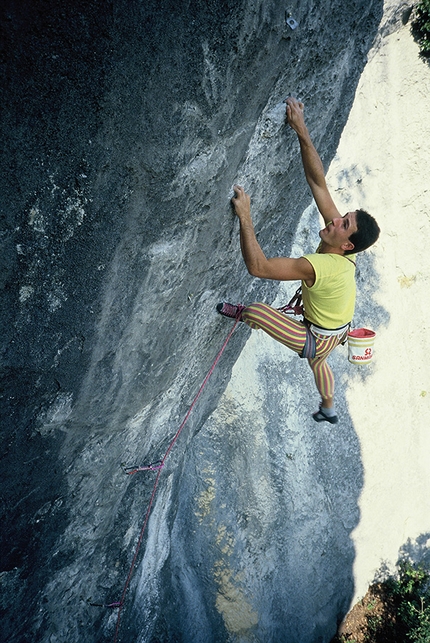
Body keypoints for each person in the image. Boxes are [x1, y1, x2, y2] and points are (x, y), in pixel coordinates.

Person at [217, 97, 380, 424]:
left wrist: (245, 217)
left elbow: (259, 268)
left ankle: (243, 314)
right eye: (342, 216)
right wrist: (301, 130)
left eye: (343, 223)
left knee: (260, 312)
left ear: (347, 244)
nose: (335, 220)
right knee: (319, 362)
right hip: (337, 329)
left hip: (319, 336)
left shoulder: (322, 265)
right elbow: (318, 183)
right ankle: (329, 407)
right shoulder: (341, 242)